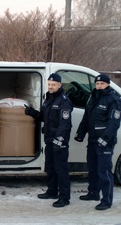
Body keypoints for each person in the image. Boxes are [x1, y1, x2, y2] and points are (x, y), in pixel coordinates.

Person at [25, 73, 73, 208]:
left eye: (53, 85)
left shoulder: (64, 101)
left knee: (61, 169)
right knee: (51, 168)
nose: (51, 87)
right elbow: (44, 118)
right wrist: (33, 113)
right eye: (49, 84)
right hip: (49, 140)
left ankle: (64, 197)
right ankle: (52, 192)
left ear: (60, 85)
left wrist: (59, 140)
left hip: (59, 142)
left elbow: (65, 125)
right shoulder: (48, 99)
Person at [74, 73, 121, 210]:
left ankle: (106, 200)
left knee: (104, 171)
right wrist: (80, 133)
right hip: (93, 140)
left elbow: (114, 122)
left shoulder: (114, 99)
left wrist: (105, 139)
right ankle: (93, 193)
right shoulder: (93, 97)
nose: (99, 86)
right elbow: (86, 118)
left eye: (102, 84)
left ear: (108, 84)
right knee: (93, 169)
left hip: (105, 141)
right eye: (97, 84)